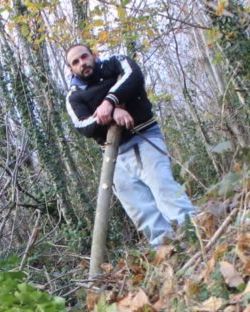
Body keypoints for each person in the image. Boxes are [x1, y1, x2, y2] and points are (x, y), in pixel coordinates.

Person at [64, 44, 195, 247]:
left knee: (164, 190)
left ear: (94, 56)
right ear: (71, 69)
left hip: (143, 137)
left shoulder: (115, 64)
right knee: (141, 210)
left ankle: (196, 234)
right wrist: (111, 113)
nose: (82, 63)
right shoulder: (74, 97)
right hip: (113, 155)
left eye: (84, 57)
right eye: (76, 62)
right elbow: (83, 126)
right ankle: (167, 251)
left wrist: (109, 102)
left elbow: (133, 76)